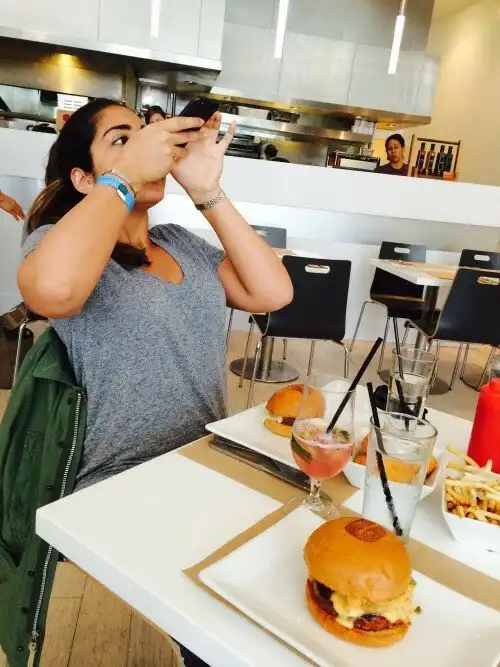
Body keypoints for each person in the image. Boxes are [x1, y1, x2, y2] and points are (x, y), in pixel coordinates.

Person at [18, 98, 292, 666]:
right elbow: (53, 292)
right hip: (125, 483)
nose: (148, 145)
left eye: (147, 134)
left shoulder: (179, 241)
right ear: (83, 177)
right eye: (122, 139)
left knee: (276, 582)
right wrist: (123, 179)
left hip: (209, 463)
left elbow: (271, 293)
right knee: (230, 623)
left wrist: (207, 190)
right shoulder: (61, 243)